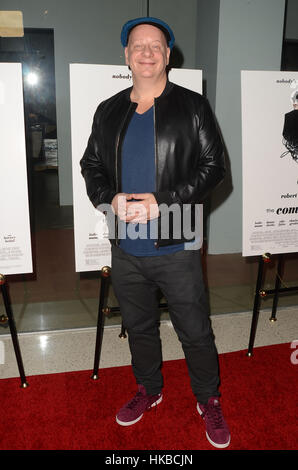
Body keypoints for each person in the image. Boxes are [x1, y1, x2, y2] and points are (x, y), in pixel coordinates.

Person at [80, 17, 230, 449]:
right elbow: (90, 166)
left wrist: (162, 199)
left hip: (178, 241)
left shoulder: (192, 106)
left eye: (156, 46)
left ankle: (209, 398)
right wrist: (110, 199)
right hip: (124, 244)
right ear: (126, 55)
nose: (147, 52)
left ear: (168, 55)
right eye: (138, 45)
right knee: (139, 326)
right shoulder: (108, 109)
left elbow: (214, 167)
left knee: (195, 330)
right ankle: (150, 388)